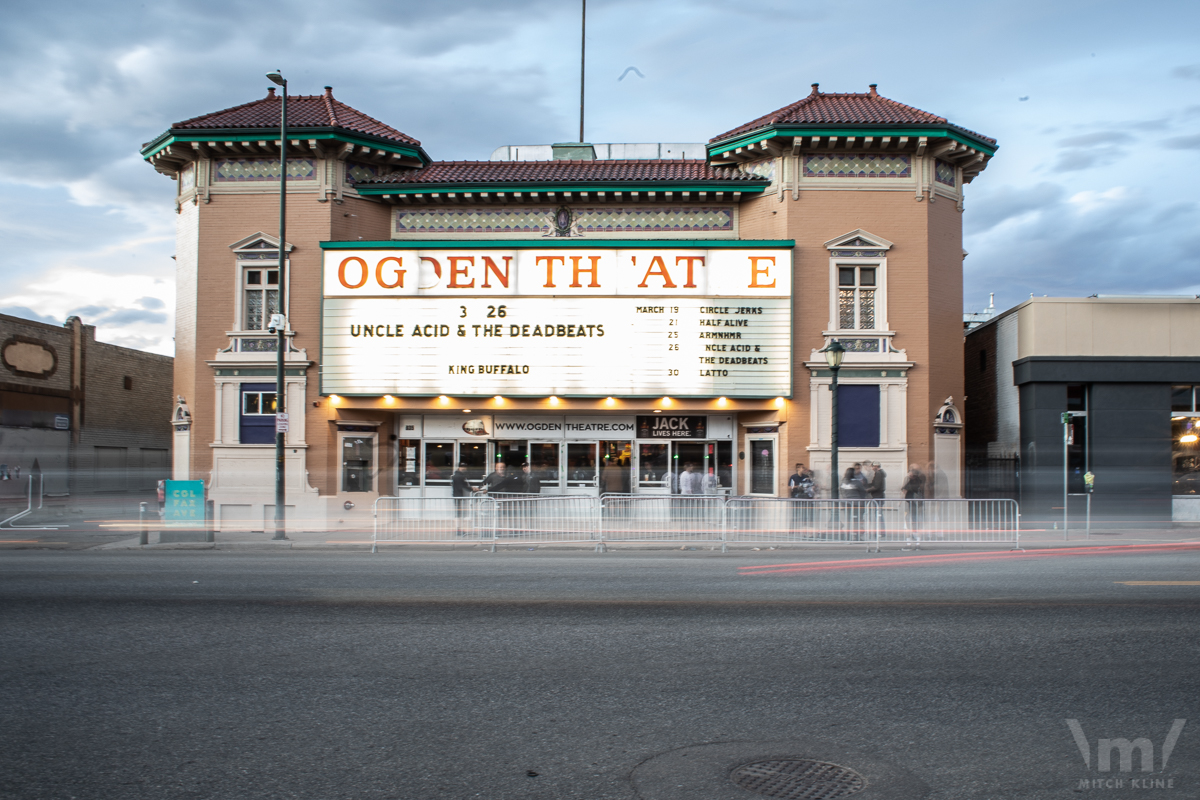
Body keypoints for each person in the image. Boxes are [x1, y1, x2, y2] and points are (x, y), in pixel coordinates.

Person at [451, 462, 474, 533]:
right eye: (462, 467)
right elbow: (462, 486)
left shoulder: (458, 475)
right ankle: (458, 529)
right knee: (458, 513)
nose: (464, 468)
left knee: (459, 513)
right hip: (458, 496)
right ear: (459, 468)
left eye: (464, 467)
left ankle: (459, 528)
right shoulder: (459, 476)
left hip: (458, 495)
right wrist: (472, 489)